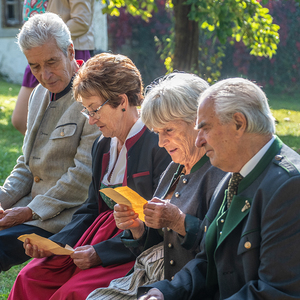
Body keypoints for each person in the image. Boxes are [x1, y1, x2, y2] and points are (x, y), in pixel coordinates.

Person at [8, 53, 171, 300]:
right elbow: (89, 209)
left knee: (72, 293)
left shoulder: (157, 145)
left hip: (130, 248)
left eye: (94, 110)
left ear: (122, 101)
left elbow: (157, 227)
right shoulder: (102, 146)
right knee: (30, 278)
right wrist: (55, 245)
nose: (92, 120)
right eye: (87, 111)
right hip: (90, 238)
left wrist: (100, 253)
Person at [137, 77, 300, 300]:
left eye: (205, 128)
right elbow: (208, 262)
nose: (198, 141)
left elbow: (276, 293)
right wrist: (164, 293)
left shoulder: (289, 185)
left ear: (239, 124)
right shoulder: (234, 176)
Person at [86, 73, 226, 300]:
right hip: (148, 279)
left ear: (197, 122)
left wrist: (179, 221)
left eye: (168, 130)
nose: (161, 142)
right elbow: (157, 245)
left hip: (185, 290)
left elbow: (220, 250)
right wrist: (137, 228)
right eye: (157, 133)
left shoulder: (220, 172)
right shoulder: (175, 168)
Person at [0, 12, 100, 272]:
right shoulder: (37, 96)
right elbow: (26, 163)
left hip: (63, 218)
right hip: (27, 210)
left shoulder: (92, 99)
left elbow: (82, 178)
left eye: (52, 62)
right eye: (34, 67)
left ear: (70, 50)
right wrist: (3, 199)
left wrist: (28, 212)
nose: (45, 74)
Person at [12, 0, 95, 135]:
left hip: (58, 49)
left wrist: (48, 40)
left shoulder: (63, 51)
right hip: (37, 52)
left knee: (75, 124)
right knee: (20, 119)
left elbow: (81, 21)